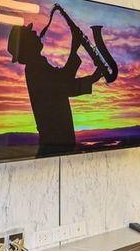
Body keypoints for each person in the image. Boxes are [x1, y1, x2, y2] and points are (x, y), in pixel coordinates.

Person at [7, 21, 105, 156]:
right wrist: (74, 50)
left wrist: (92, 77)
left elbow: (62, 84)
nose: (35, 32)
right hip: (55, 147)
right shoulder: (35, 68)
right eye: (30, 34)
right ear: (26, 45)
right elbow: (64, 84)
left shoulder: (37, 66)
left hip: (57, 146)